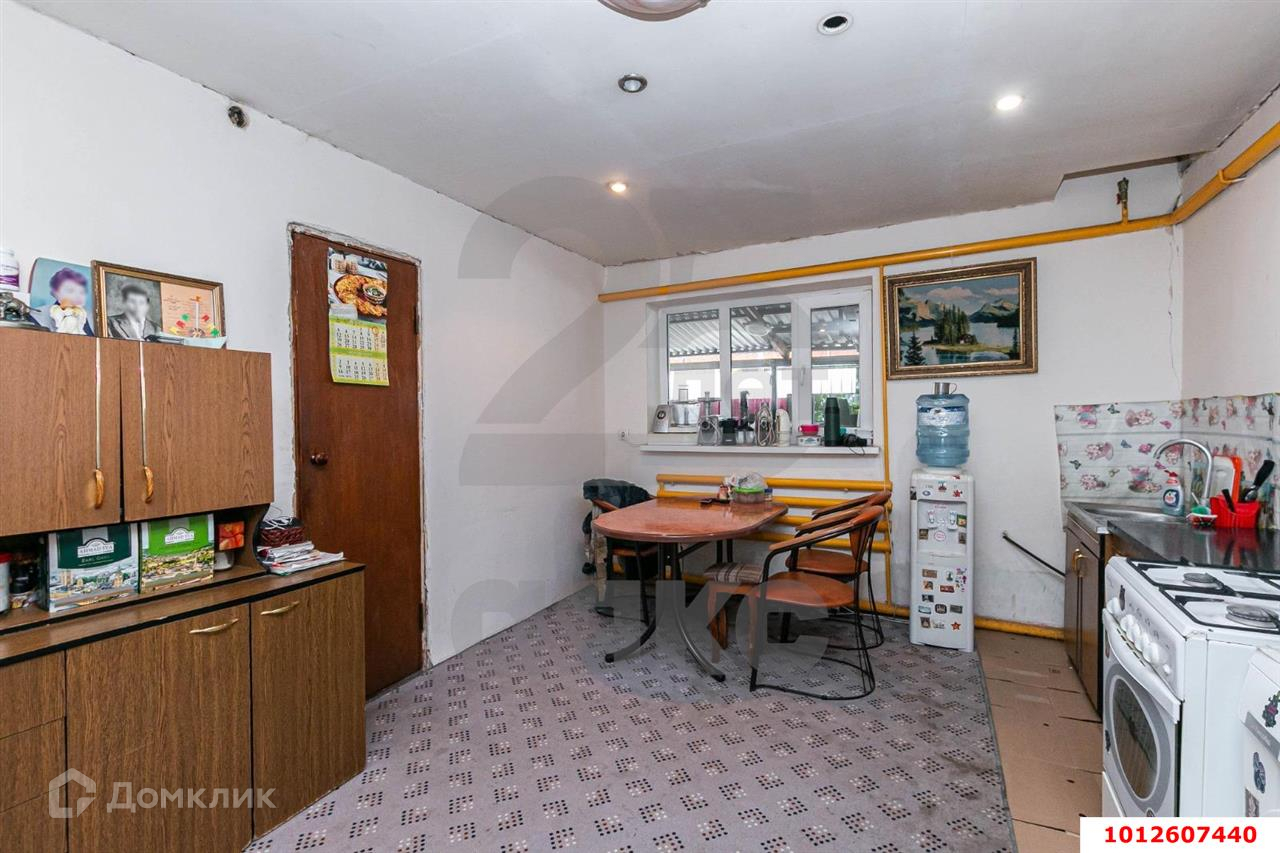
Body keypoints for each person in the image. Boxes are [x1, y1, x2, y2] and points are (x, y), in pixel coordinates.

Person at [29, 267, 93, 335]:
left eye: (82, 292)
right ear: (56, 293)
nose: (77, 296)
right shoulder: (37, 315)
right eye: (70, 291)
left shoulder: (91, 318)